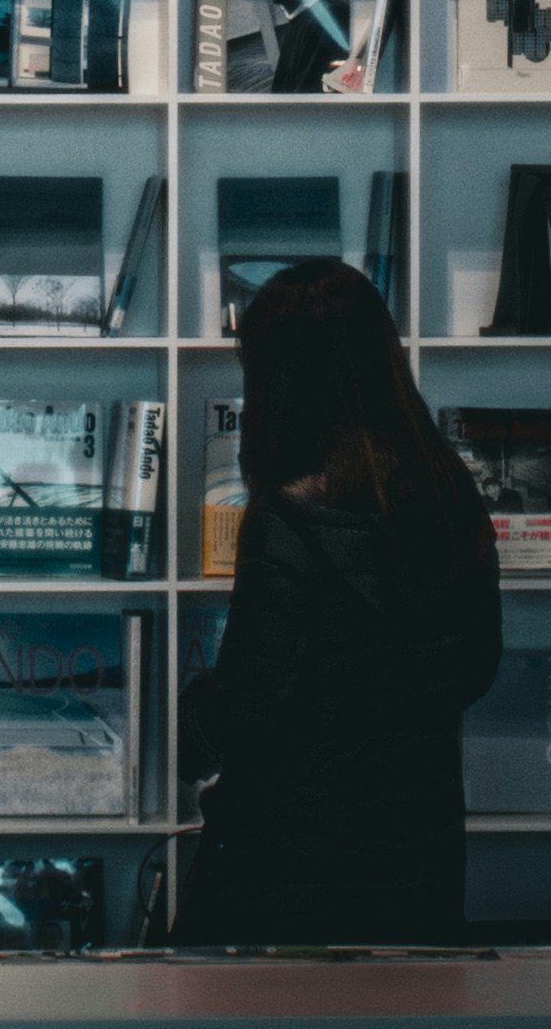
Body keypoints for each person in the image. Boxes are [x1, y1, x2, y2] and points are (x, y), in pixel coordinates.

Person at [176, 260, 501, 947]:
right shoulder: (451, 493)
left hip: (291, 861)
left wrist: (191, 712)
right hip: (418, 854)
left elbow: (249, 705)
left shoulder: (288, 518)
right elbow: (477, 667)